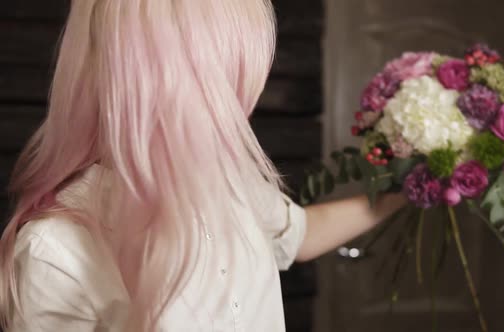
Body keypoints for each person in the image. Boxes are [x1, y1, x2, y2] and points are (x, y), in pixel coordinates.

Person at [0, 0, 406, 331]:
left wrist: (406, 193)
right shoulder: (53, 252)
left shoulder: (232, 181)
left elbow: (300, 235)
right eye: (228, 77)